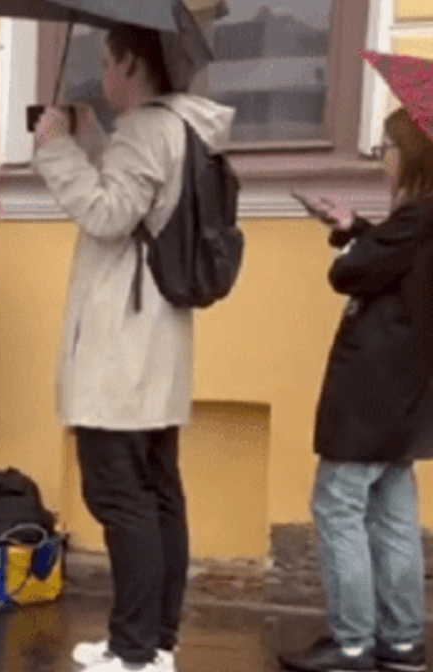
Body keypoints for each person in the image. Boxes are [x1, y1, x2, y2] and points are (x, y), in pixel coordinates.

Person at [30, 25, 234, 672]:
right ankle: (155, 640)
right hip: (156, 341)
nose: (102, 77)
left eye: (106, 64)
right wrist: (94, 141)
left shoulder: (147, 129)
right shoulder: (184, 127)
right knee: (157, 493)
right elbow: (137, 205)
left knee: (122, 497)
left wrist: (58, 150)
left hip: (123, 344)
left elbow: (108, 215)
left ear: (130, 65)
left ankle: (134, 650)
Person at [276, 108, 433, 672]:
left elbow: (352, 274)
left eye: (387, 146)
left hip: (373, 393)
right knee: (393, 513)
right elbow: (393, 261)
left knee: (338, 504)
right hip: (408, 395)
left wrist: (353, 246)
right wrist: (356, 229)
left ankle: (352, 642)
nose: (382, 155)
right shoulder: (418, 222)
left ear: (413, 152)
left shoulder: (415, 216)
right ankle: (402, 641)